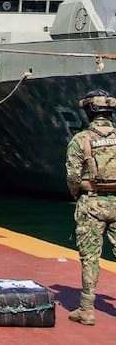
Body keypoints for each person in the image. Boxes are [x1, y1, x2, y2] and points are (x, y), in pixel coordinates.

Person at [65, 88, 116, 326]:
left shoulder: (80, 140)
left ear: (88, 112)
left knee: (90, 258)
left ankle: (86, 310)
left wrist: (79, 196)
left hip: (92, 201)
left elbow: (73, 177)